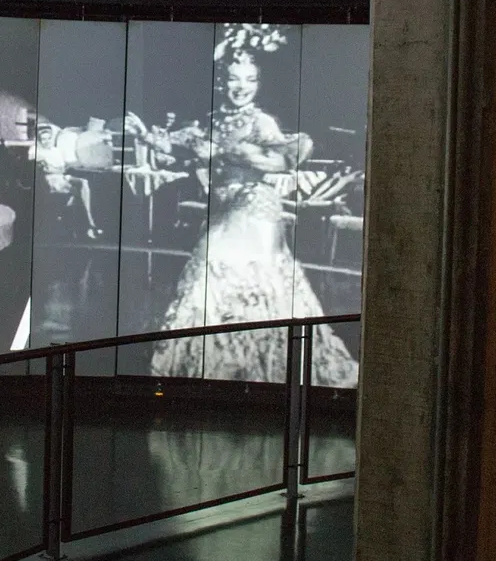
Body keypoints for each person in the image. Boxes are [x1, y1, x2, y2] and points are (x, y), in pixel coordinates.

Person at [132, 30, 358, 385]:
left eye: (250, 79)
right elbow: (178, 145)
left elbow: (283, 159)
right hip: (224, 208)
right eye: (234, 79)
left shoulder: (260, 121)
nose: (243, 87)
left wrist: (232, 153)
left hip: (254, 204)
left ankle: (257, 361)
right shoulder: (210, 120)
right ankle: (227, 365)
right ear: (221, 81)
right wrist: (148, 136)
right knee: (222, 281)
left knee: (220, 267)